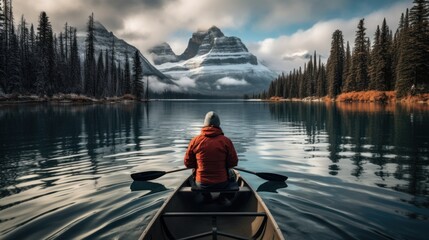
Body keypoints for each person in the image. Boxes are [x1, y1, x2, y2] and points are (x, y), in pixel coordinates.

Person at [184, 111, 238, 190]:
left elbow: (188, 163)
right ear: (218, 124)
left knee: (192, 176)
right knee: (232, 174)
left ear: (205, 124)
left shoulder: (195, 141)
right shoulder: (226, 141)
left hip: (201, 184)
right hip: (222, 183)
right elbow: (233, 162)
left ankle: (206, 197)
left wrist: (197, 165)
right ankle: (223, 198)